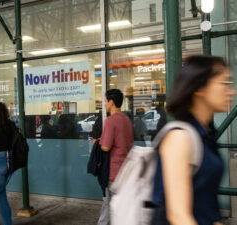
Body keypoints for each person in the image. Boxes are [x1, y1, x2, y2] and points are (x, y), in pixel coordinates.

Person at [151, 55, 235, 225]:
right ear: (200, 88)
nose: (231, 91)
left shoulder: (205, 134)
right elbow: (178, 215)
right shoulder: (180, 138)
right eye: (224, 84)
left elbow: (206, 208)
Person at [98, 89, 134, 225]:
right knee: (121, 206)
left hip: (113, 171)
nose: (104, 104)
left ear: (111, 102)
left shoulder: (110, 121)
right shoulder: (126, 119)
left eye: (106, 101)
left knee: (108, 205)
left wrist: (98, 143)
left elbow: (106, 147)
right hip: (126, 169)